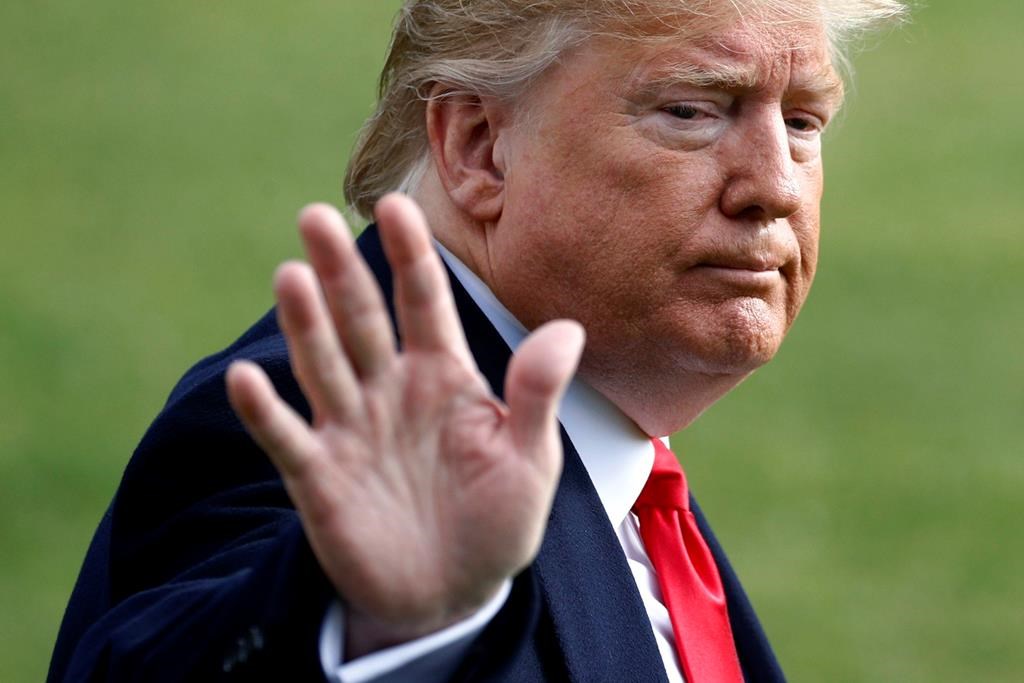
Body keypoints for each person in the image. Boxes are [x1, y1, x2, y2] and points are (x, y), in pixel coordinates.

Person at [49, 1, 905, 681]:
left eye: (804, 121)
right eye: (691, 109)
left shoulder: (623, 465)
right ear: (480, 148)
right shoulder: (328, 428)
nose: (774, 186)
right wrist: (375, 622)